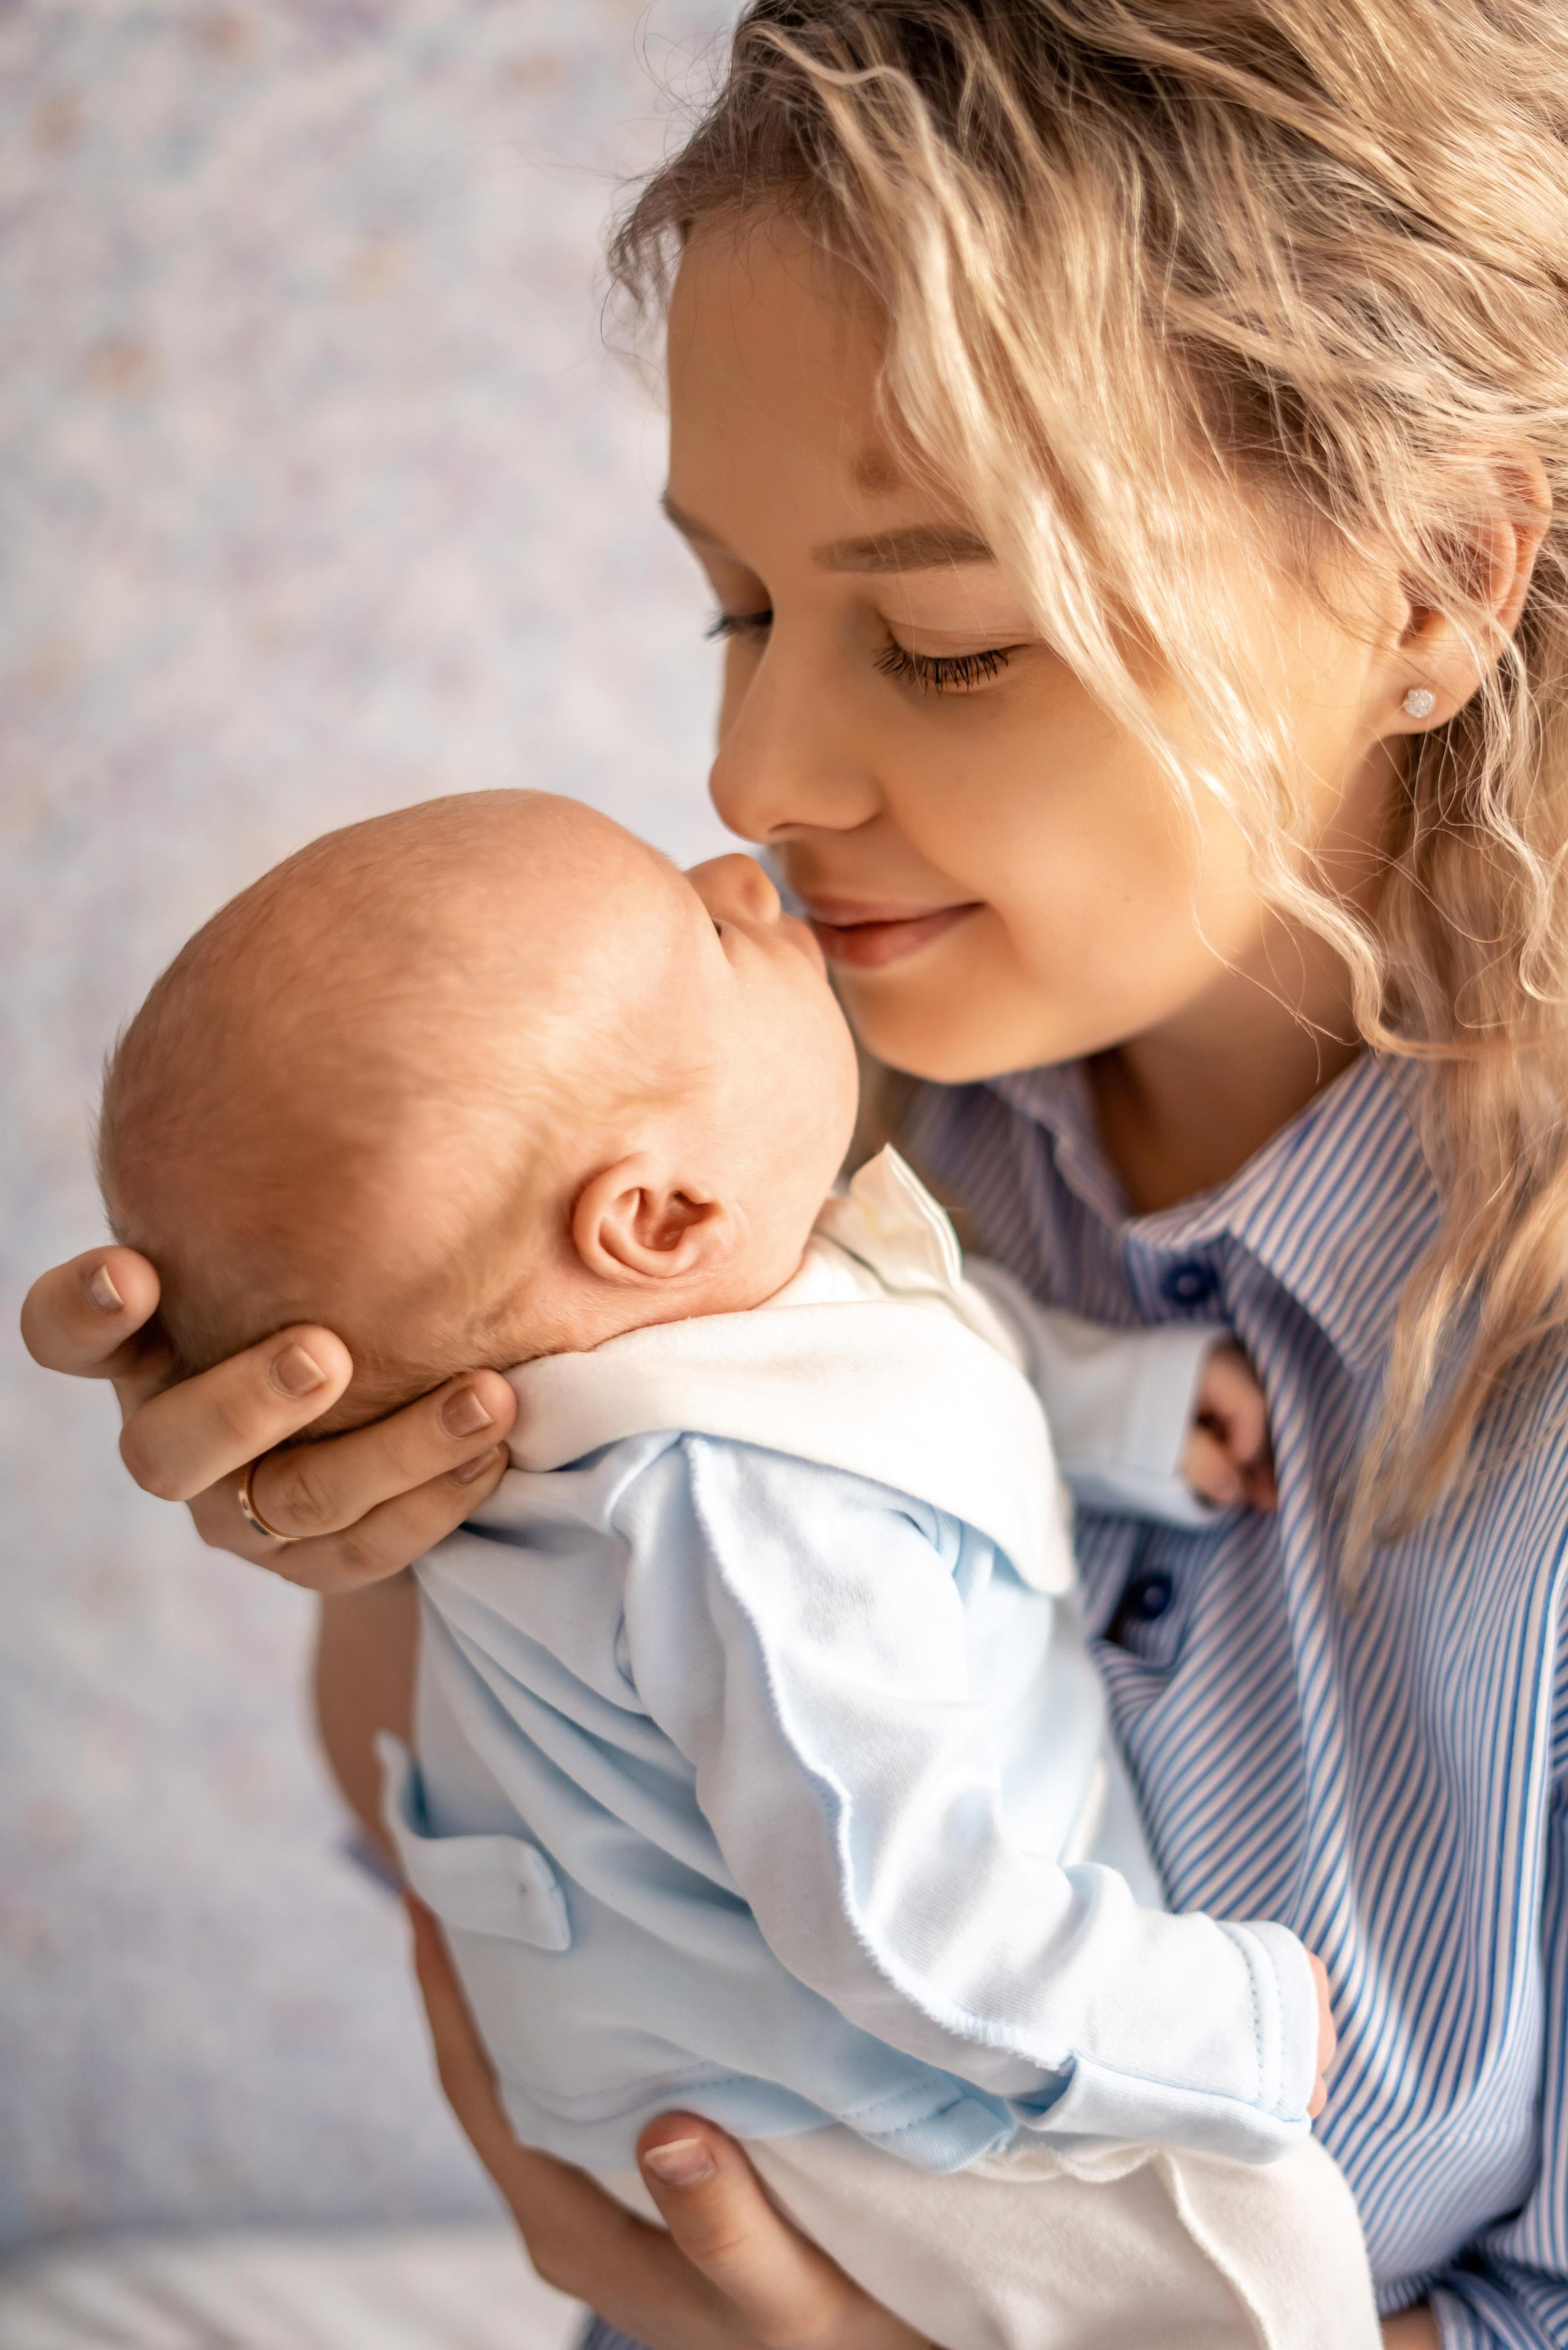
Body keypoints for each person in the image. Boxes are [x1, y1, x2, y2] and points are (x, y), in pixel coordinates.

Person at [23, 0, 1568, 2340]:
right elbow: (533, 1877)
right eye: (736, 605)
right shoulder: (773, 1133)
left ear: (1435, 579)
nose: (753, 773)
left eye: (945, 642)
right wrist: (407, 1450)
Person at [96, 783, 1360, 2348]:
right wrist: (1218, 2022)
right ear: (656, 1216)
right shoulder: (742, 1518)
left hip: (709, 2061)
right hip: (864, 2113)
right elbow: (900, 1916)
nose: (742, 874)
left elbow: (910, 1342)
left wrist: (1122, 1410)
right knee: (1265, 2252)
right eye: (704, 926)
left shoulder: (660, 1364)